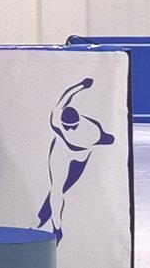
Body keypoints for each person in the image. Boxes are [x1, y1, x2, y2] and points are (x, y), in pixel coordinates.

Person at [35, 78, 114, 243]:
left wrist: (107, 138)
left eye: (73, 126)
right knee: (56, 188)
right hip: (60, 149)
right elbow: (66, 96)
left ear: (79, 122)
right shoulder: (56, 118)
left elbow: (108, 139)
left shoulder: (92, 131)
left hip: (79, 156)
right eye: (66, 126)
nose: (70, 129)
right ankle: (56, 229)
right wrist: (81, 85)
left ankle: (44, 216)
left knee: (63, 188)